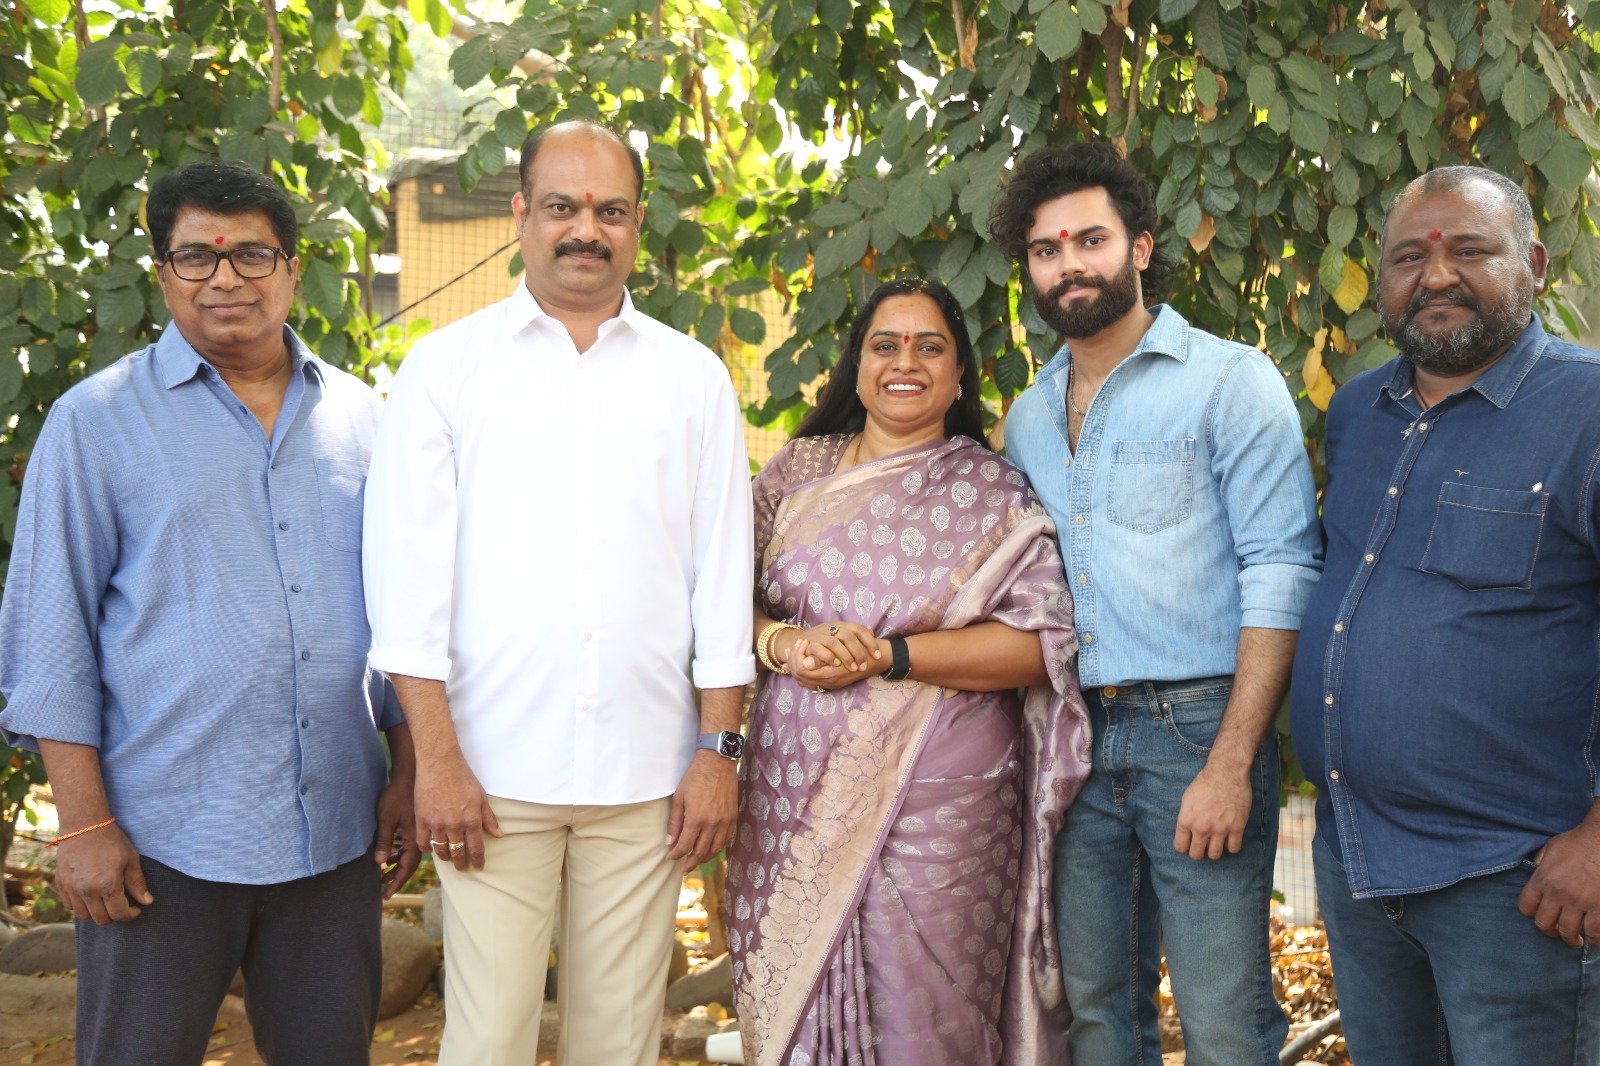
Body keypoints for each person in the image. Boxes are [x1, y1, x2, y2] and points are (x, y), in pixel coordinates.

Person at [0, 158, 418, 1065]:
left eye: (252, 256)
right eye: (197, 258)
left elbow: (403, 615)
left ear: (293, 271)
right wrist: (81, 827)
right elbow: (49, 636)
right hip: (160, 846)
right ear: (163, 276)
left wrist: (410, 769)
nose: (225, 278)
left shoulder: (362, 419)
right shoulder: (96, 421)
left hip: (332, 838)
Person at [361, 119, 755, 1066]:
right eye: (564, 207)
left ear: (637, 222)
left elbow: (723, 578)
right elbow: (406, 591)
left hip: (647, 777)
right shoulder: (446, 370)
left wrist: (718, 752)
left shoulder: (693, 378)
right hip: (490, 775)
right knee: (486, 1037)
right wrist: (438, 764)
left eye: (610, 210)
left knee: (617, 1043)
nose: (588, 229)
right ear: (520, 215)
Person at [993, 142, 1321, 1064]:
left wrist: (1232, 758)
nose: (1069, 264)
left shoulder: (1229, 380)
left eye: (1089, 240)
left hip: (1200, 729)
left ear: (1139, 248)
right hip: (1074, 738)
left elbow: (1282, 568)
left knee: (1222, 1021)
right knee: (1099, 1015)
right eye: (1046, 249)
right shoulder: (1028, 415)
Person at [726, 277, 1091, 1066]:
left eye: (931, 347)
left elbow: (1041, 644)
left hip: (946, 811)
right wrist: (783, 646)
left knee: (929, 1014)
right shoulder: (796, 470)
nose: (906, 363)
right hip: (789, 795)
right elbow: (722, 600)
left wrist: (889, 655)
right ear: (856, 366)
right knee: (791, 1010)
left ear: (960, 374)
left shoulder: (990, 490)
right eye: (885, 345)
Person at [1289, 166, 1600, 1061]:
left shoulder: (1586, 410)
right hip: (1358, 868)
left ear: (1534, 263)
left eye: (1469, 250)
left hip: (1518, 885)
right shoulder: (1359, 412)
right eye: (1408, 257)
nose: (1434, 277)